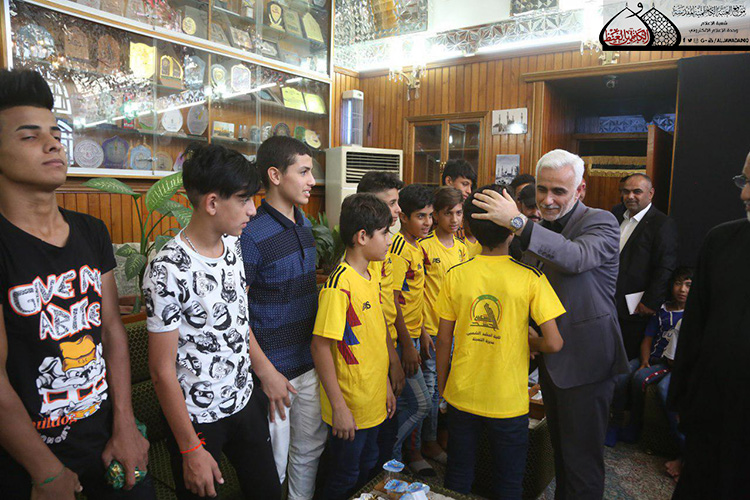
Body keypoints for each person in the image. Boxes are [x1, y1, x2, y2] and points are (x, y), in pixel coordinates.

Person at [0, 69, 154, 500]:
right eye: (30, 136)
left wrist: (125, 424)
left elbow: (111, 330)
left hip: (109, 442)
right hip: (30, 460)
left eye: (55, 133)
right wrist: (46, 471)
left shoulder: (91, 231)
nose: (53, 144)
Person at [472, 149, 628, 499]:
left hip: (586, 361)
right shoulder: (539, 228)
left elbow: (574, 257)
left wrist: (518, 222)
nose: (547, 199)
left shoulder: (600, 221)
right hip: (552, 359)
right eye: (542, 189)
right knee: (562, 455)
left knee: (582, 462)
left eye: (559, 191)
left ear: (580, 190)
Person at [145, 144, 280, 499]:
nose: (253, 210)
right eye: (244, 199)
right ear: (212, 203)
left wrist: (266, 371)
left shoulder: (233, 245)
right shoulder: (167, 268)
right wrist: (190, 448)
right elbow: (161, 370)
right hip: (197, 418)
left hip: (244, 400)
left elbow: (237, 321)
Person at [436, 184, 565, 497]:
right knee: (509, 480)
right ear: (512, 230)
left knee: (458, 474)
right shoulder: (531, 278)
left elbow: (443, 339)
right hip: (509, 400)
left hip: (462, 392)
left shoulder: (456, 274)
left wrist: (443, 386)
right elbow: (554, 343)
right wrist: (530, 341)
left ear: (469, 228)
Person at [239, 136, 327, 499]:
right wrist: (266, 373)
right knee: (272, 465)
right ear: (275, 175)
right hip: (273, 374)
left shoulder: (304, 225)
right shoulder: (250, 233)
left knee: (310, 451)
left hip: (308, 362)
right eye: (303, 172)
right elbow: (235, 313)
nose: (312, 181)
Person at [668, 151, 750, 500]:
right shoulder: (721, 241)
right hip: (712, 414)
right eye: (744, 180)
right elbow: (695, 330)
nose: (744, 193)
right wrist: (682, 398)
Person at [311, 194, 397, 500]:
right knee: (344, 475)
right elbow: (320, 347)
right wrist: (339, 407)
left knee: (368, 465)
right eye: (385, 233)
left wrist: (386, 384)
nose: (390, 240)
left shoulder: (370, 274)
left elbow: (372, 340)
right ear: (362, 237)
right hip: (351, 406)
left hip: (373, 399)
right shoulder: (339, 286)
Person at [407, 187, 468, 472]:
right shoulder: (425, 246)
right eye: (447, 213)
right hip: (431, 330)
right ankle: (425, 444)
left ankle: (437, 439)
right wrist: (421, 330)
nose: (454, 219)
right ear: (437, 215)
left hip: (456, 331)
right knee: (430, 390)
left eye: (459, 213)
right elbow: (417, 293)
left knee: (447, 389)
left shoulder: (462, 248)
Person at [356, 172, 406, 468]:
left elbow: (389, 304)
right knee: (367, 447)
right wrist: (392, 360)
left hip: (387, 347)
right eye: (391, 203)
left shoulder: (384, 246)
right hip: (371, 356)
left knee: (385, 431)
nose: (398, 209)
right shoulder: (366, 255)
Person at [608, 267, 691, 446]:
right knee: (621, 376)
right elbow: (648, 338)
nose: (682, 289)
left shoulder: (691, 316)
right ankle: (615, 423)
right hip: (650, 357)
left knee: (640, 378)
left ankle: (634, 426)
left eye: (688, 285)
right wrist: (644, 360)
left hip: (667, 363)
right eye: (678, 284)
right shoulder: (662, 309)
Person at [389, 184, 433, 467]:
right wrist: (406, 345)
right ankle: (389, 454)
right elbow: (392, 301)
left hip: (416, 335)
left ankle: (398, 459)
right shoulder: (399, 249)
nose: (427, 222)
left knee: (412, 402)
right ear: (403, 217)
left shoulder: (417, 245)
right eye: (420, 216)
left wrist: (423, 332)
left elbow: (414, 297)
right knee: (421, 404)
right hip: (400, 340)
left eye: (430, 215)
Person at [614, 173, 678, 359]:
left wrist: (650, 301)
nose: (630, 196)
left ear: (650, 194)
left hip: (636, 307)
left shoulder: (662, 224)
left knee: (627, 358)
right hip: (608, 301)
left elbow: (666, 266)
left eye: (637, 192)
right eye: (626, 191)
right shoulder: (615, 214)